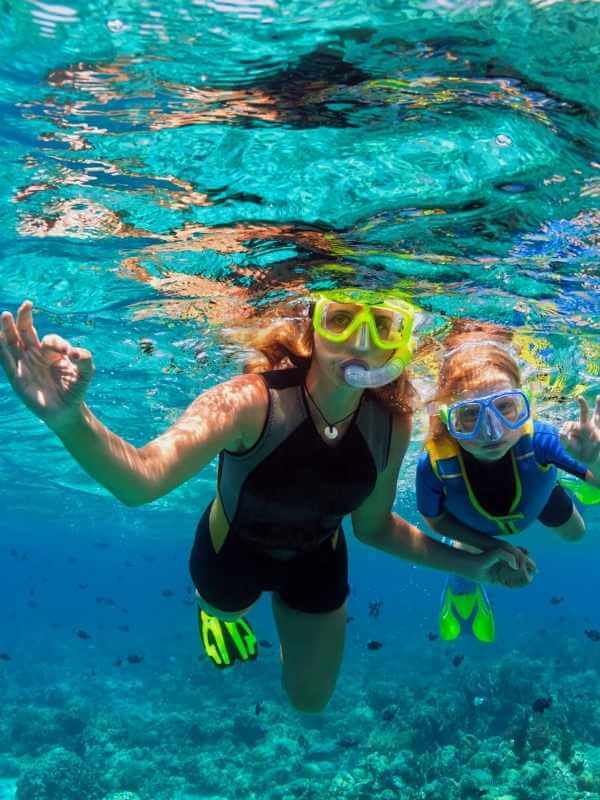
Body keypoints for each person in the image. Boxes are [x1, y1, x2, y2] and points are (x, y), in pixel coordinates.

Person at [0, 291, 519, 713]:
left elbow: (375, 527)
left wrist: (471, 565)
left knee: (310, 702)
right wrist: (71, 419)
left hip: (318, 558)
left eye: (383, 326)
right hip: (232, 554)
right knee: (225, 607)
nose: (359, 341)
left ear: (400, 345)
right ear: (314, 329)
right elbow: (142, 480)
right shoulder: (250, 400)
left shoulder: (393, 424)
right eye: (341, 320)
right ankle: (217, 615)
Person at [416, 322, 600, 644]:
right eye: (469, 416)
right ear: (446, 419)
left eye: (505, 409)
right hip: (475, 527)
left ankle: (575, 476)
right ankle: (462, 589)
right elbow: (435, 520)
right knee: (467, 556)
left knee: (576, 534)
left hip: (538, 497)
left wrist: (594, 460)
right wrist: (495, 547)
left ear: (524, 405)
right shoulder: (433, 465)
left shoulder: (540, 439)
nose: (492, 432)